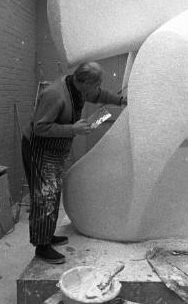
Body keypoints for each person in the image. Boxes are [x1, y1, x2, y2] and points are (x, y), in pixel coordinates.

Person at [21, 62, 126, 263]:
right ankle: (41, 247)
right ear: (83, 81)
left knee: (53, 193)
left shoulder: (78, 87)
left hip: (55, 148)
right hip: (39, 148)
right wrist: (72, 129)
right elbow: (39, 128)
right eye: (95, 84)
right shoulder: (55, 94)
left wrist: (121, 101)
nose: (97, 88)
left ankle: (47, 235)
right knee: (45, 196)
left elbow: (98, 95)